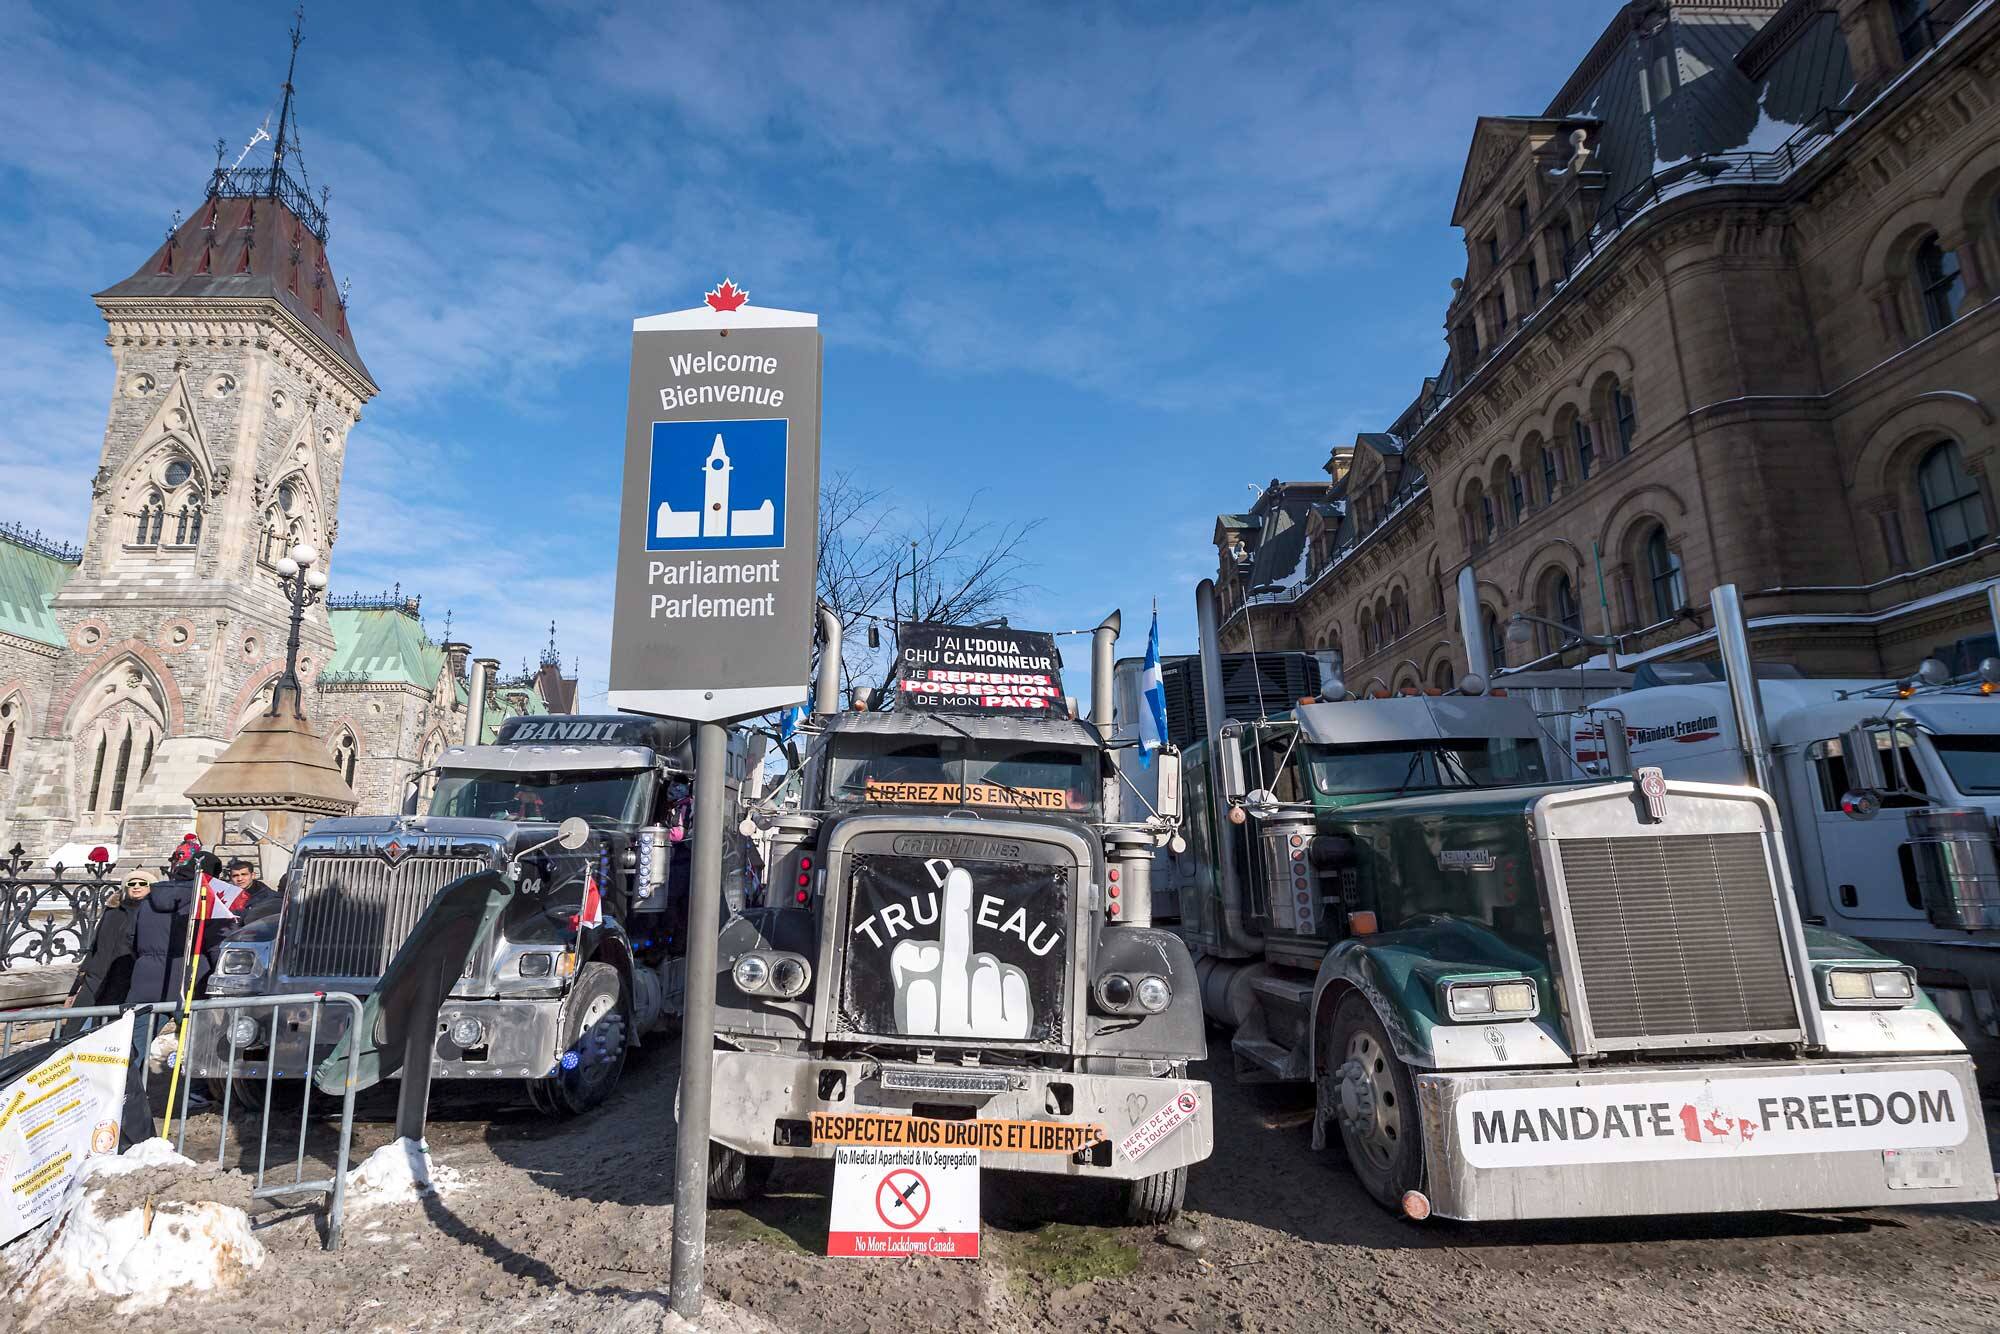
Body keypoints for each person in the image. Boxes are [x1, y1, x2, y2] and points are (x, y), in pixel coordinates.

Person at [60, 870, 149, 1037]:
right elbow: (95, 945)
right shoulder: (112, 911)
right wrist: (79, 979)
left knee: (106, 1030)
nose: (136, 887)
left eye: (142, 883)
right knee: (73, 1028)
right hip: (95, 977)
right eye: (131, 883)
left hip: (123, 980)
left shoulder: (150, 914)